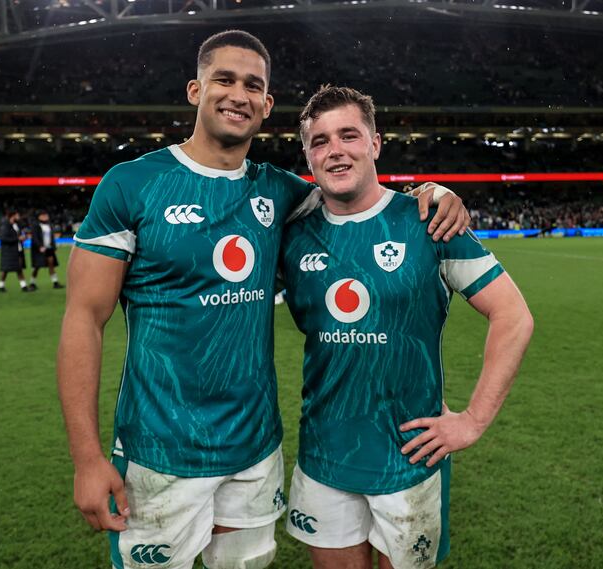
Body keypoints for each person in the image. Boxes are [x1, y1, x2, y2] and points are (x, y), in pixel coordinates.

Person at [57, 30, 469, 569]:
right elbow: (84, 319)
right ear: (194, 90)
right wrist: (87, 458)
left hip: (255, 451)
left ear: (267, 104)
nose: (238, 94)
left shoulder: (282, 192)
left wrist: (431, 191)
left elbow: (358, 194)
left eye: (253, 85)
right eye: (223, 79)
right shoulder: (131, 185)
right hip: (160, 453)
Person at [280, 86, 534, 569]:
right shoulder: (291, 234)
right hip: (323, 457)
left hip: (411, 458)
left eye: (349, 135)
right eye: (320, 141)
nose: (335, 149)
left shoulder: (428, 221)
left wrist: (474, 420)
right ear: (308, 157)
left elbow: (514, 316)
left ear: (376, 143)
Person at [0, 210, 32, 292]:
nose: (19, 217)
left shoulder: (16, 225)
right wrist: (17, 239)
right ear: (12, 216)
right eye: (17, 215)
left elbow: (17, 236)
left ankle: (23, 286)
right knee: (6, 269)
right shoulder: (5, 226)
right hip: (9, 251)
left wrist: (23, 238)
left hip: (18, 249)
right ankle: (1, 286)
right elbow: (3, 238)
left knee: (18, 268)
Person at [29, 210, 64, 290]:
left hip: (49, 248)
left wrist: (54, 247)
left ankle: (55, 282)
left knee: (51, 265)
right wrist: (39, 246)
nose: (46, 216)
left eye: (46, 215)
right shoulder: (36, 225)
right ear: (39, 216)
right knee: (37, 267)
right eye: (44, 215)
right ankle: (32, 283)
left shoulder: (49, 225)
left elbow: (52, 238)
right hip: (39, 249)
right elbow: (35, 237)